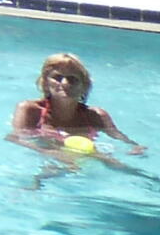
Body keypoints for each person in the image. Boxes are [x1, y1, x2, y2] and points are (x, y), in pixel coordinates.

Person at [10, 52, 144, 162]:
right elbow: (15, 138)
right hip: (47, 155)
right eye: (57, 77)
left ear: (84, 86)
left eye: (72, 79)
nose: (65, 83)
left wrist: (135, 147)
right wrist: (50, 152)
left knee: (118, 165)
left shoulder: (96, 116)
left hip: (87, 156)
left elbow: (119, 137)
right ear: (45, 83)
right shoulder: (30, 110)